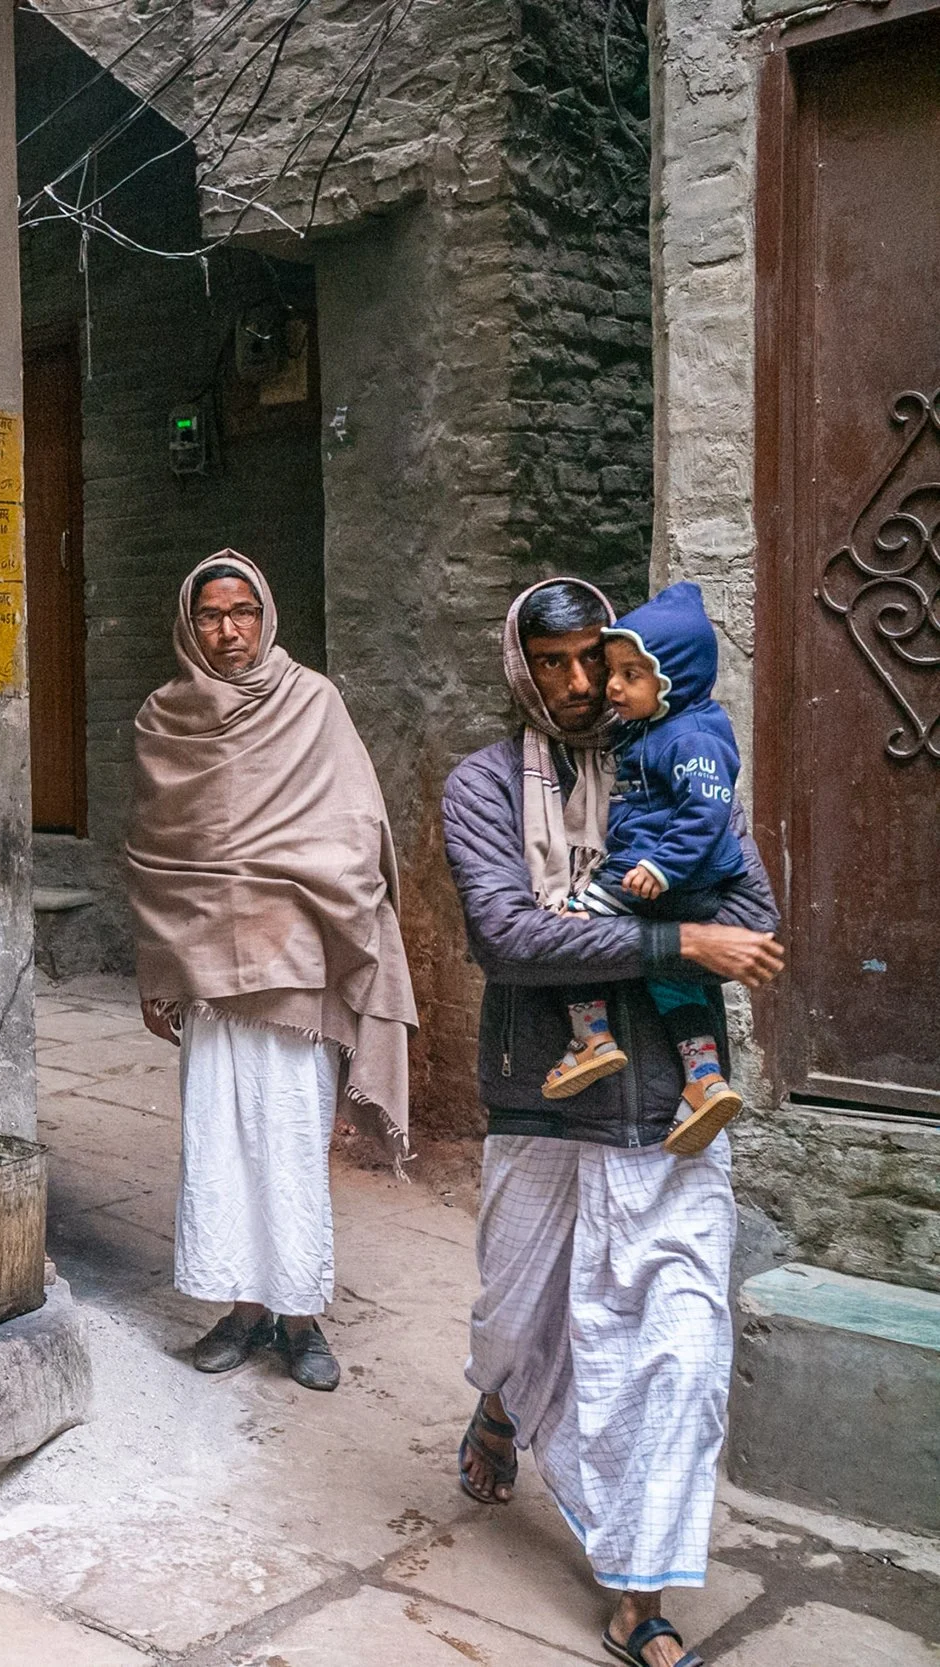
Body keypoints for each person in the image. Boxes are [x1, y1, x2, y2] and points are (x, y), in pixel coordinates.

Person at [441, 577, 785, 1667]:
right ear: (521, 667)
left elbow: (752, 913)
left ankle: (644, 1582)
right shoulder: (484, 785)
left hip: (672, 1105)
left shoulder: (679, 755)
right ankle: (502, 1400)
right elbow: (507, 939)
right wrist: (676, 943)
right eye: (554, 663)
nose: (581, 683)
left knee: (672, 1345)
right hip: (539, 1089)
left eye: (598, 657)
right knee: (520, 1311)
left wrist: (622, 917)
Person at [124, 552, 417, 1393]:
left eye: (242, 611)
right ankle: (243, 1310)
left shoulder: (312, 702)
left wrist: (322, 891)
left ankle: (300, 1315)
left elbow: (356, 822)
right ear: (189, 623)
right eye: (211, 614)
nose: (228, 631)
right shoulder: (163, 720)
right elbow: (152, 856)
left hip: (295, 965)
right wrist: (161, 966)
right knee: (217, 1142)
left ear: (265, 615)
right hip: (208, 972)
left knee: (290, 1143)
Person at [540, 583, 749, 1156]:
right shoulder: (655, 729)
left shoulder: (693, 736)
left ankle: (592, 1038)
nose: (610, 687)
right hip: (668, 883)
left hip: (660, 876)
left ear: (674, 678)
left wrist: (662, 866)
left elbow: (706, 813)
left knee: (569, 936)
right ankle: (704, 1081)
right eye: (615, 672)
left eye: (631, 675)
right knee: (673, 982)